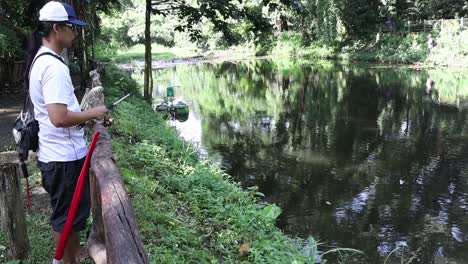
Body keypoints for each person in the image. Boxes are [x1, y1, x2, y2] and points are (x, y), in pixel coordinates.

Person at [26, 2, 108, 263]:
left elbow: (59, 116)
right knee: (67, 220)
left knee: (68, 219)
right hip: (63, 160)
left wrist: (82, 120)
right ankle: (64, 260)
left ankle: (66, 258)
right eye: (71, 27)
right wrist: (93, 114)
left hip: (57, 155)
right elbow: (59, 117)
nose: (75, 32)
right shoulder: (53, 66)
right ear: (57, 28)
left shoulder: (42, 60)